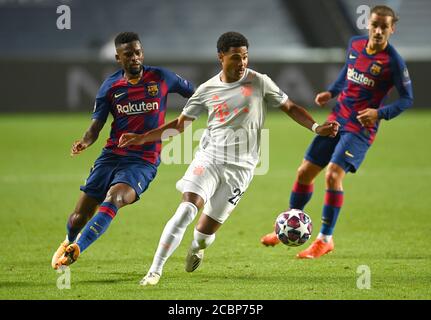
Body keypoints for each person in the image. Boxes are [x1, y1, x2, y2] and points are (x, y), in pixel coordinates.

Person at [118, 31, 339, 286]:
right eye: (235, 57)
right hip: (209, 159)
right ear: (221, 57)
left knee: (204, 234)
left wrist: (315, 128)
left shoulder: (259, 81)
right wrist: (141, 138)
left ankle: (197, 247)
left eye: (245, 57)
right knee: (186, 210)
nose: (242, 63)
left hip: (241, 169)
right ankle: (154, 271)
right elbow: (179, 125)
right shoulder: (206, 90)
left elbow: (290, 107)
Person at [260, 5, 413, 258]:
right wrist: (331, 91)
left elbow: (407, 99)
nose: (378, 31)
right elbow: (348, 72)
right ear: (369, 24)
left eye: (384, 27)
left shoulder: (393, 62)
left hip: (361, 128)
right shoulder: (355, 44)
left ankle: (325, 239)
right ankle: (289, 224)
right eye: (374, 25)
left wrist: (379, 113)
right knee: (304, 172)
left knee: (332, 175)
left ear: (392, 29)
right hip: (338, 118)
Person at [51, 32, 194, 269]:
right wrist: (85, 142)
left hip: (143, 161)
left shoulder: (161, 77)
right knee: (79, 216)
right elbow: (95, 126)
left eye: (138, 53)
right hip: (111, 156)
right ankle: (69, 240)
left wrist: (186, 118)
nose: (135, 58)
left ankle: (78, 248)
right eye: (128, 54)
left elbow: (197, 94)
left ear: (142, 53)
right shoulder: (110, 86)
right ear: (118, 58)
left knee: (115, 198)